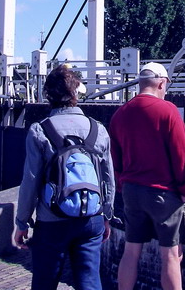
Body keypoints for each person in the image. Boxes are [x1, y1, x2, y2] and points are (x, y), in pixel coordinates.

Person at [14, 65, 115, 290]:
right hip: (91, 218)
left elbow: (30, 181)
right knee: (89, 282)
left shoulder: (40, 130)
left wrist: (22, 222)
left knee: (45, 282)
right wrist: (107, 215)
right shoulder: (98, 129)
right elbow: (108, 178)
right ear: (76, 93)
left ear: (48, 95)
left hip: (52, 219)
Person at [109, 62, 185, 290]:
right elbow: (181, 155)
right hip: (163, 192)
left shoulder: (120, 114)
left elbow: (115, 158)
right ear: (161, 83)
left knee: (131, 251)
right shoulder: (168, 111)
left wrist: (123, 186)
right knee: (171, 255)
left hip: (131, 190)